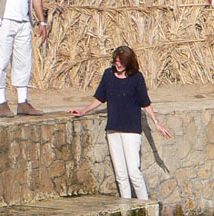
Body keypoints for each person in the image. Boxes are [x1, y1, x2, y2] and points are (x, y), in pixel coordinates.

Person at [71, 45, 172, 198]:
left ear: (129, 63)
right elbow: (100, 98)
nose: (118, 65)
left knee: (133, 172)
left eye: (122, 62)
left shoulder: (137, 78)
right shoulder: (108, 75)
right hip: (113, 129)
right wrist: (84, 111)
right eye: (117, 61)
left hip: (131, 130)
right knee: (121, 175)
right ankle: (126, 211)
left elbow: (146, 103)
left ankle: (145, 208)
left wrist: (156, 123)